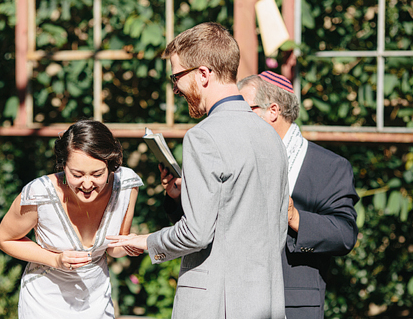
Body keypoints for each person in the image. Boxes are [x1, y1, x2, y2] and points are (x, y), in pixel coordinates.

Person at [106, 22, 289, 318]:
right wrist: (185, 194)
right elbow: (275, 229)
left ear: (203, 74)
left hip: (217, 305)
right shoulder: (271, 135)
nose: (176, 87)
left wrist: (145, 242)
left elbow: (197, 234)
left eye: (176, 76)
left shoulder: (203, 136)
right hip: (266, 303)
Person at [237, 71, 359, 319]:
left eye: (244, 111)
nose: (236, 120)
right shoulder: (237, 159)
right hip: (236, 299)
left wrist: (295, 218)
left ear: (272, 111)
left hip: (292, 306)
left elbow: (345, 234)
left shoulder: (329, 166)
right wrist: (176, 199)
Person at [0, 119, 144, 318]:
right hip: (45, 303)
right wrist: (55, 259)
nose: (88, 183)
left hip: (96, 301)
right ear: (63, 165)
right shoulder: (39, 194)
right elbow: (4, 239)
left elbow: (114, 249)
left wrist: (130, 244)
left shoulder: (126, 185)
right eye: (77, 174)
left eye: (97, 174)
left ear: (110, 164)